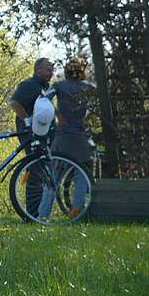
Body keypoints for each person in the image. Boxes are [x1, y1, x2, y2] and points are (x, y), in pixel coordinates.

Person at [10, 57, 56, 214]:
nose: (51, 73)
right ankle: (31, 212)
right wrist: (27, 120)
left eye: (52, 69)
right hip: (29, 133)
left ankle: (38, 211)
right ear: (38, 70)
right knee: (35, 170)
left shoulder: (45, 87)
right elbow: (14, 102)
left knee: (42, 170)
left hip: (42, 134)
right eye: (47, 69)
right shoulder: (29, 84)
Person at [51, 57, 94, 213]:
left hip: (62, 135)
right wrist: (87, 118)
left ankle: (43, 213)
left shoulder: (58, 86)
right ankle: (76, 210)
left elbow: (43, 99)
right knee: (81, 175)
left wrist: (57, 114)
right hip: (80, 137)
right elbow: (96, 106)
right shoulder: (89, 87)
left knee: (54, 176)